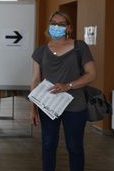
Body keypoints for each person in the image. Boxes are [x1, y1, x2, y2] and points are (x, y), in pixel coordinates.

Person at [30, 11, 96, 171]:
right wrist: (33, 108)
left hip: (74, 106)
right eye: (53, 23)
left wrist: (69, 85)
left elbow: (92, 74)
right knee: (48, 144)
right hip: (48, 105)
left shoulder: (79, 47)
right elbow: (35, 80)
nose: (56, 27)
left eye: (60, 24)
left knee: (74, 147)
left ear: (68, 28)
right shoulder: (40, 51)